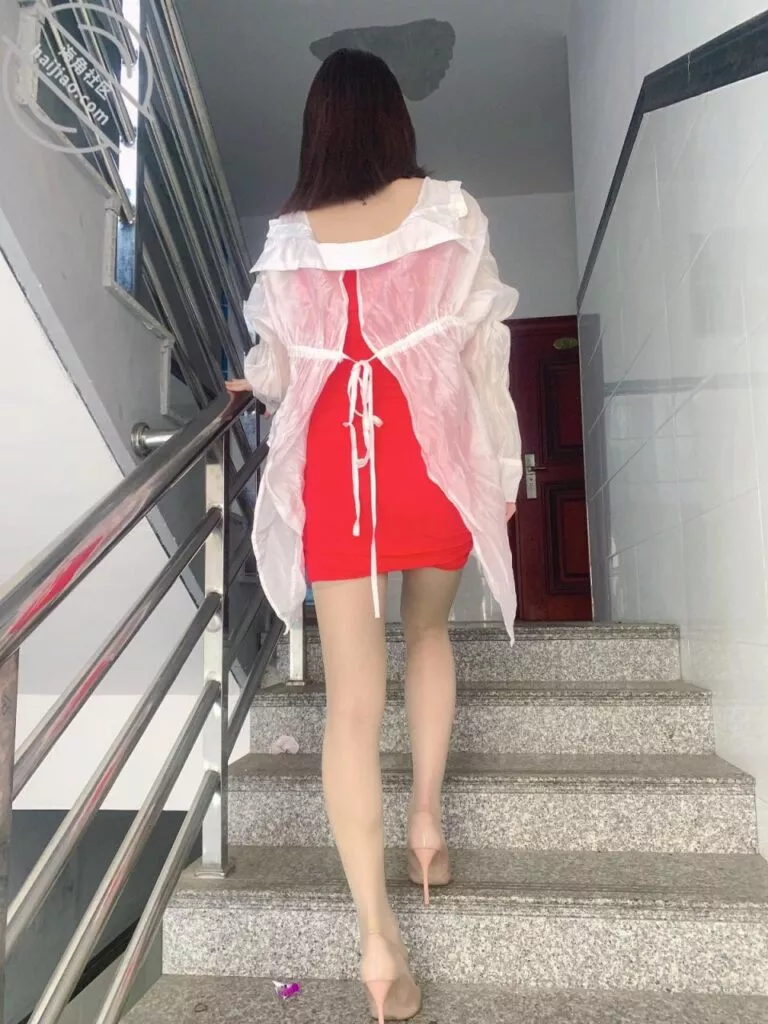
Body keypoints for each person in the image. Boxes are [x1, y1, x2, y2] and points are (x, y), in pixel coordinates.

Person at [226, 48, 521, 1023]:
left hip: (336, 473)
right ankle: (426, 823)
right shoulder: (450, 212)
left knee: (352, 704)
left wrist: (255, 381)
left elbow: (278, 369)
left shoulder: (288, 239)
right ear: (396, 120)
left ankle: (376, 939)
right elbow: (483, 348)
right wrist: (501, 470)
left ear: (317, 129)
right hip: (426, 456)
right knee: (428, 633)